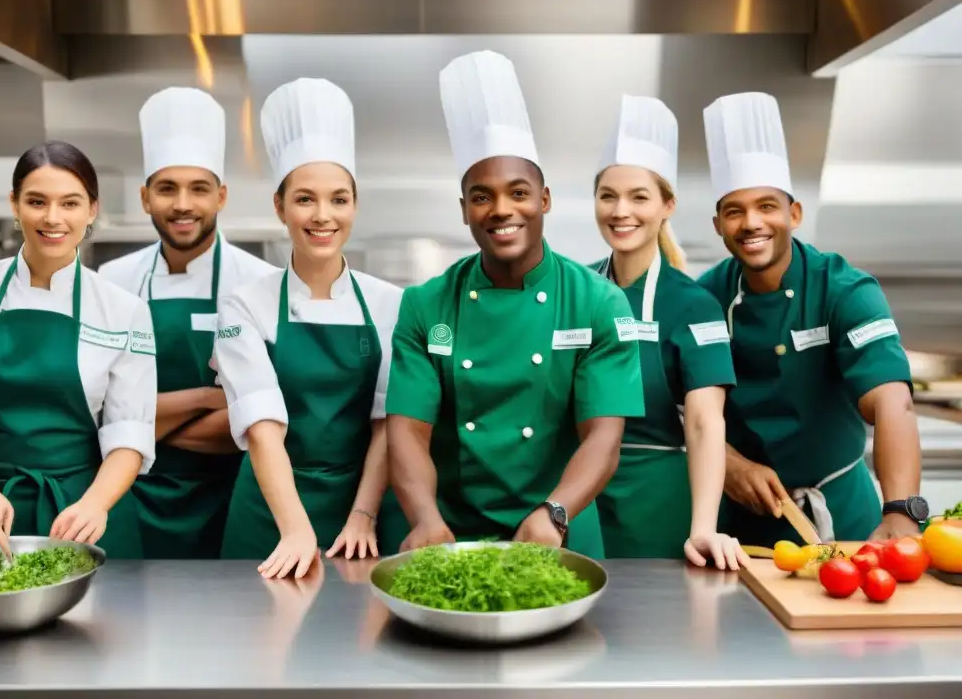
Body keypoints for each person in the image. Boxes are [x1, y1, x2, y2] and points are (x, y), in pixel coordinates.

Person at [384, 50, 645, 559]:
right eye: (481, 196)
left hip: (559, 530)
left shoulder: (599, 303)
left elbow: (603, 438)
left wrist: (556, 511)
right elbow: (408, 432)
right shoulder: (425, 304)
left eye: (518, 192)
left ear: (544, 200)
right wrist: (425, 517)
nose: (501, 209)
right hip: (451, 534)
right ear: (464, 210)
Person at [697, 91, 925, 547]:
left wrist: (901, 510)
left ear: (794, 214)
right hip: (742, 530)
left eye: (766, 206)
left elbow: (891, 401)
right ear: (718, 225)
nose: (751, 223)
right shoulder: (703, 299)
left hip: (846, 517)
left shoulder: (844, 290)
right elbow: (680, 409)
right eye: (734, 211)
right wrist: (727, 464)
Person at [213, 77, 409, 578]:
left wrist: (363, 514)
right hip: (269, 511)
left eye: (339, 200)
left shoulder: (391, 303)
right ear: (280, 207)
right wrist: (295, 527)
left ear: (355, 205)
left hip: (362, 504)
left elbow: (388, 423)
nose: (323, 216)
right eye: (305, 199)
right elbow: (261, 427)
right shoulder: (245, 304)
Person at [0, 141, 154, 558]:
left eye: (70, 203)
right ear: (14, 205)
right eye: (37, 201)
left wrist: (94, 505)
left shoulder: (124, 309)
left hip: (84, 510)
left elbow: (130, 430)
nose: (53, 218)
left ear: (92, 210)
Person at [98, 87, 275, 560]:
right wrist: (205, 399)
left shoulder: (259, 284)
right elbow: (97, 412)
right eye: (166, 188)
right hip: (130, 496)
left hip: (230, 498)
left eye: (198, 188)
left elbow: (261, 422)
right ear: (144, 198)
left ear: (221, 195)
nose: (182, 204)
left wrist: (137, 425)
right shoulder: (112, 282)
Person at [589, 95, 747, 569]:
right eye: (608, 196)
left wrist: (703, 527)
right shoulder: (577, 291)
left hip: (658, 509)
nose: (621, 211)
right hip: (578, 504)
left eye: (639, 197)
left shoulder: (693, 304)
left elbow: (704, 422)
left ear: (667, 205)